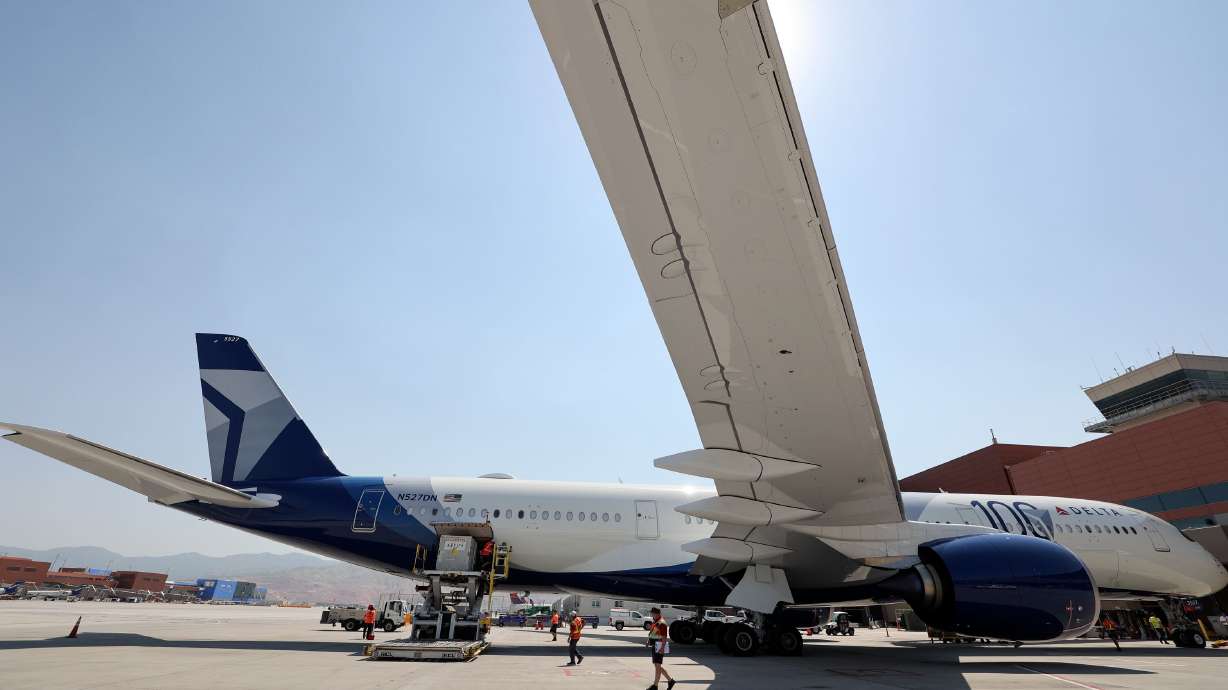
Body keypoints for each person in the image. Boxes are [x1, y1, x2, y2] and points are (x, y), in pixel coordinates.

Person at [646, 607, 676, 689]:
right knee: (657, 666)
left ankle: (655, 686)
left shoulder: (662, 623)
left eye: (652, 613)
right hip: (655, 646)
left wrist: (662, 648)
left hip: (659, 647)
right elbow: (652, 632)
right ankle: (670, 681)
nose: (651, 614)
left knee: (657, 666)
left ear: (657, 614)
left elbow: (664, 637)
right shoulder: (656, 621)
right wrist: (649, 640)